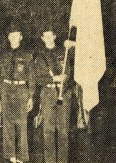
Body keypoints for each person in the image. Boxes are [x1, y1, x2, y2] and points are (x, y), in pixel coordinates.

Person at [0, 21, 34, 163]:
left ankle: (21, 156)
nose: (13, 37)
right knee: (7, 123)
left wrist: (31, 96)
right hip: (6, 89)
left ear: (21, 37)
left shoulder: (27, 55)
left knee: (22, 124)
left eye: (16, 35)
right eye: (11, 35)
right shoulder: (3, 55)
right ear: (8, 37)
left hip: (21, 90)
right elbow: (0, 77)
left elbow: (31, 76)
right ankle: (10, 155)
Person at [34, 29, 72, 163]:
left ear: (55, 36)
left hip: (64, 94)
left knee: (63, 131)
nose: (49, 38)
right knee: (48, 131)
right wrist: (53, 79)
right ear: (42, 39)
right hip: (48, 94)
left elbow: (69, 71)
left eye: (51, 36)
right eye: (46, 36)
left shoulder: (64, 52)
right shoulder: (39, 57)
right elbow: (37, 78)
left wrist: (65, 77)